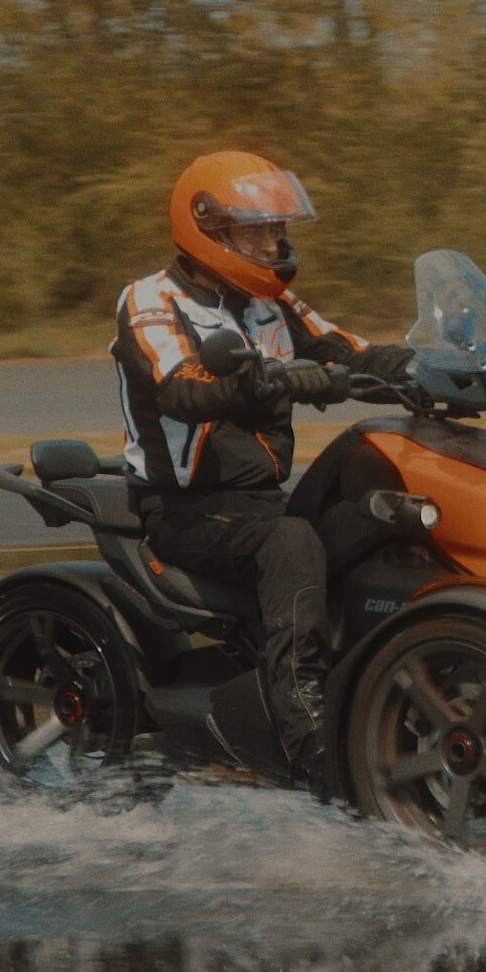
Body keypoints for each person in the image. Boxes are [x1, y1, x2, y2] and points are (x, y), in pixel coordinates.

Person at [110, 151, 412, 779]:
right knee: (291, 542)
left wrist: (433, 366)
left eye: (277, 229)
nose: (274, 243)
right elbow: (181, 386)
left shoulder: (272, 304)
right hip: (186, 510)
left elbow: (351, 352)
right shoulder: (150, 299)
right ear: (209, 230)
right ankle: (308, 738)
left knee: (383, 507)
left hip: (261, 503)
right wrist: (273, 379)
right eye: (258, 231)